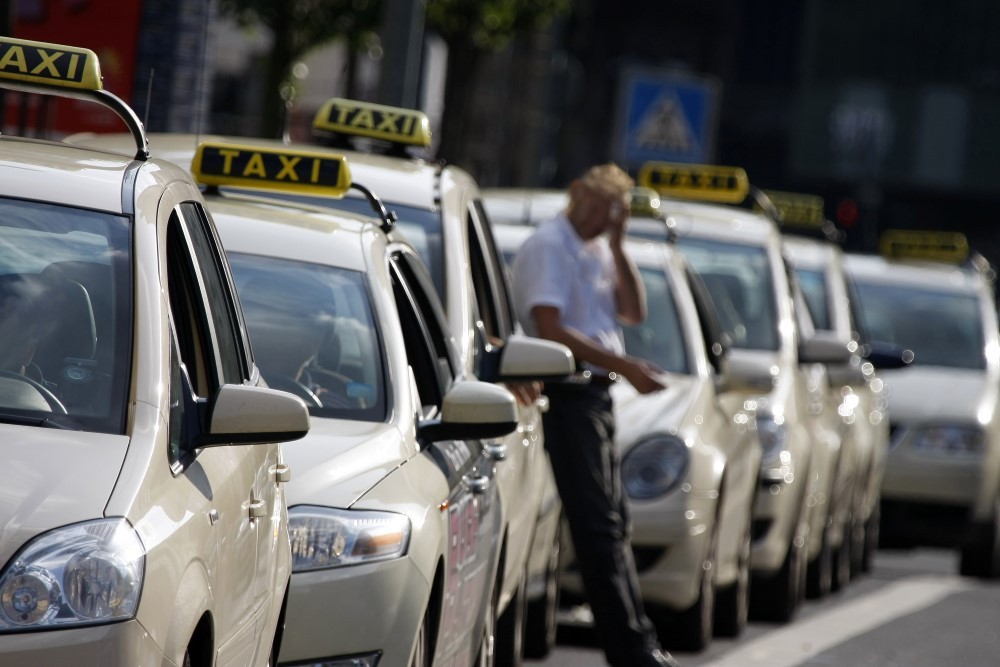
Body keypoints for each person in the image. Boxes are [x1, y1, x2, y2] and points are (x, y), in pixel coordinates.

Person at [510, 164, 679, 667]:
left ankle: (637, 642)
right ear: (578, 195)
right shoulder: (550, 246)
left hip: (595, 396)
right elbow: (551, 328)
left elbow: (632, 311)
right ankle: (631, 649)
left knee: (613, 521)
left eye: (614, 209)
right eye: (601, 205)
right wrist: (625, 366)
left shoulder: (600, 246)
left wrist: (621, 244)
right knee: (598, 524)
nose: (606, 216)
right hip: (568, 393)